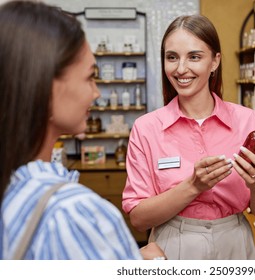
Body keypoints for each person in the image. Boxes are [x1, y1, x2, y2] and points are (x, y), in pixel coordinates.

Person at [0, 0, 165, 260]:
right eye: (90, 77)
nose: (96, 93)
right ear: (46, 88)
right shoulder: (73, 213)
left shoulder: (12, 184)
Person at [122, 14, 255, 260]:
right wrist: (193, 186)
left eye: (194, 57)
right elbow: (139, 219)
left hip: (235, 244)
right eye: (172, 57)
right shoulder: (146, 128)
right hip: (172, 245)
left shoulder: (248, 122)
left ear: (215, 61)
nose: (181, 69)